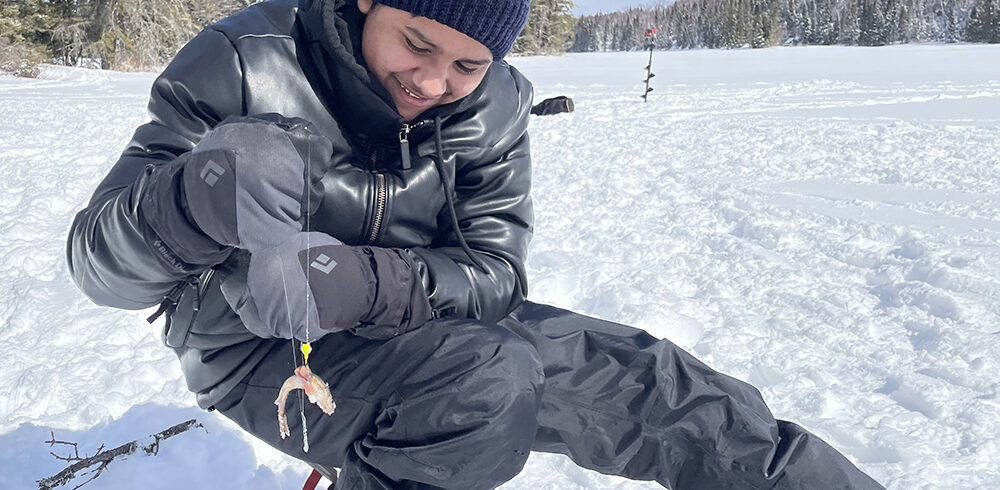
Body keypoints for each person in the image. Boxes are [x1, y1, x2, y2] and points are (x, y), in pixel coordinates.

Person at [66, 0, 885, 488]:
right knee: (485, 381)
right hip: (255, 349)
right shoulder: (245, 60)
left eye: (467, 63)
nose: (433, 82)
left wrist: (375, 284)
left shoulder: (496, 106)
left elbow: (494, 270)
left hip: (419, 317)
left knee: (659, 386)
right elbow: (98, 270)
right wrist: (189, 202)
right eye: (417, 43)